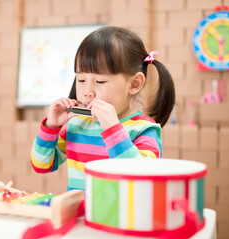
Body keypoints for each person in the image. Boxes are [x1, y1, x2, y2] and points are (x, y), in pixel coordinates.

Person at [30, 26, 175, 191]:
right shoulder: (78, 124)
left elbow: (140, 178)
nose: (87, 92)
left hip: (122, 216)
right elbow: (41, 165)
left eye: (100, 82)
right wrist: (51, 127)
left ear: (134, 83)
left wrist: (113, 130)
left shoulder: (144, 129)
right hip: (81, 215)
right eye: (81, 80)